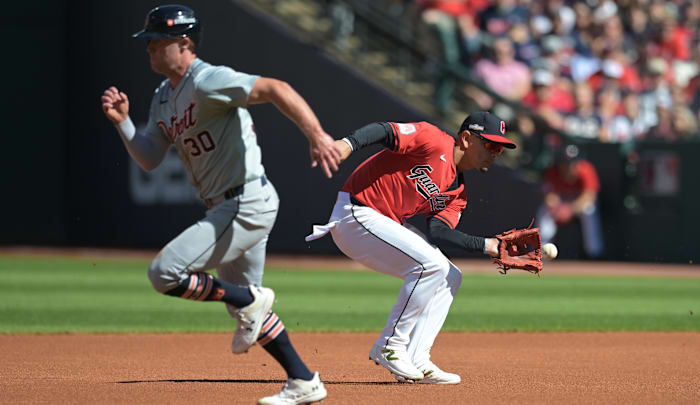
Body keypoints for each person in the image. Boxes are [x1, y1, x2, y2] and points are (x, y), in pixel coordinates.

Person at [99, 5, 341, 404]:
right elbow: (149, 158)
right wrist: (123, 122)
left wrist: (317, 135)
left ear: (184, 43)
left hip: (246, 201)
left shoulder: (208, 79)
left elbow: (276, 88)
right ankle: (303, 380)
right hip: (226, 206)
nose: (150, 49)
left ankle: (248, 298)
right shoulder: (163, 98)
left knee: (165, 273)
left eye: (157, 42)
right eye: (149, 43)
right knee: (247, 312)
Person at [306, 111, 517, 384]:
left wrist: (490, 245)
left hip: (382, 222)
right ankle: (390, 345)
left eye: (500, 148)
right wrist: (348, 143)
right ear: (466, 139)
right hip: (355, 212)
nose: (495, 152)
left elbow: (438, 231)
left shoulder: (458, 194)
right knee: (431, 266)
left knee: (450, 275)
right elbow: (384, 130)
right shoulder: (433, 140)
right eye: (490, 144)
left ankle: (419, 358)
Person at [536, 144, 604, 259]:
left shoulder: (586, 169)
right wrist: (556, 207)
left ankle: (594, 254)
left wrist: (570, 209)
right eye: (566, 163)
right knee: (544, 211)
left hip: (577, 205)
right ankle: (542, 251)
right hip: (560, 203)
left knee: (589, 210)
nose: (570, 167)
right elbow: (548, 197)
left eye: (573, 163)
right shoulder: (553, 172)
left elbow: (589, 197)